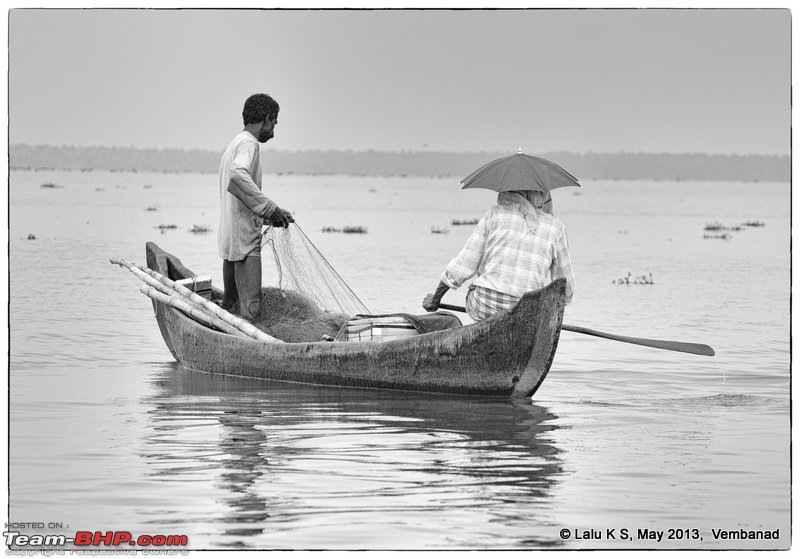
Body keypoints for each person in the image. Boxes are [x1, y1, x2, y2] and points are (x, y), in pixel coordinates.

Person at [422, 189, 575, 321]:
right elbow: (565, 285)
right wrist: (549, 317)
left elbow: (464, 264)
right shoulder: (556, 227)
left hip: (484, 304)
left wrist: (435, 299)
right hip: (528, 309)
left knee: (475, 290)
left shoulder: (493, 215)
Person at [218, 93, 294, 319]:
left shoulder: (234, 144)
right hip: (245, 244)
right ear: (268, 118)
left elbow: (237, 200)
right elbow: (237, 176)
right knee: (251, 310)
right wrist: (269, 208)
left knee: (230, 306)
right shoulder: (249, 144)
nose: (273, 132)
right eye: (274, 124)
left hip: (230, 241)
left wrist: (271, 217)